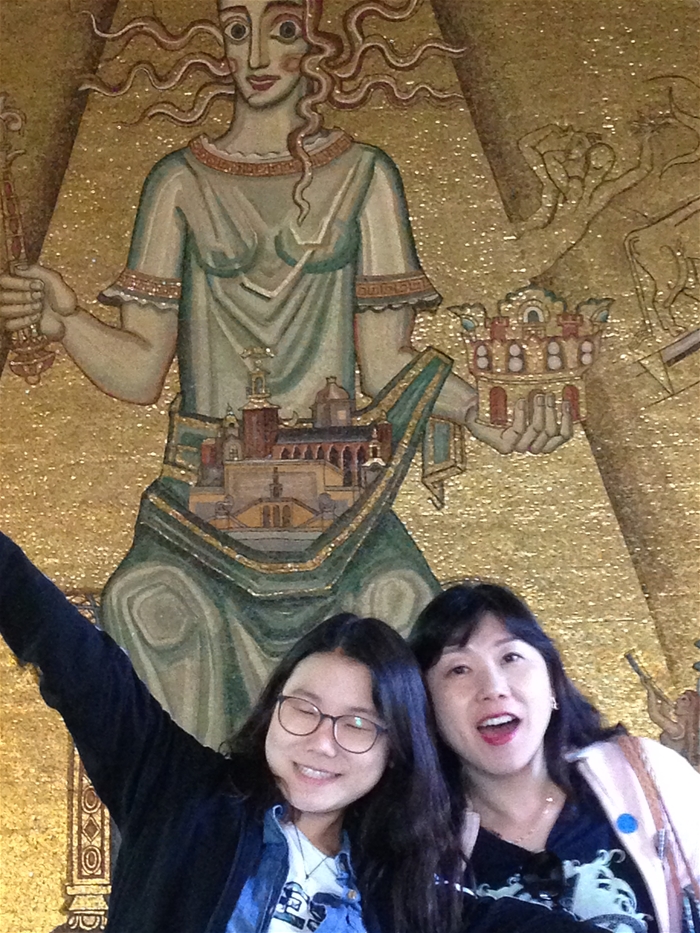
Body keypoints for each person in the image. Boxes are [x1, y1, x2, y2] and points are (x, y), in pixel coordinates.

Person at [0, 0, 572, 751]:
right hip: (200, 504)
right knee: (147, 603)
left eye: (284, 29)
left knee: (402, 603)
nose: (257, 54)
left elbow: (388, 361)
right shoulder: (179, 181)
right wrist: (66, 321)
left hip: (336, 505)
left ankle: (388, 823)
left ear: (317, 41)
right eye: (238, 29)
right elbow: (140, 371)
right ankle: (202, 820)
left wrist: (480, 415)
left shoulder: (364, 176)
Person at [0, 530, 611, 933]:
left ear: (394, 749)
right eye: (305, 709)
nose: (322, 741)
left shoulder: (407, 891)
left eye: (358, 724)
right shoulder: (179, 795)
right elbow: (75, 659)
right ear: (272, 709)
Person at [410, 581, 700, 933]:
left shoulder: (647, 774)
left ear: (552, 682)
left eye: (510, 657)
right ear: (425, 706)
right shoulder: (420, 846)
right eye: (458, 669)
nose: (493, 688)